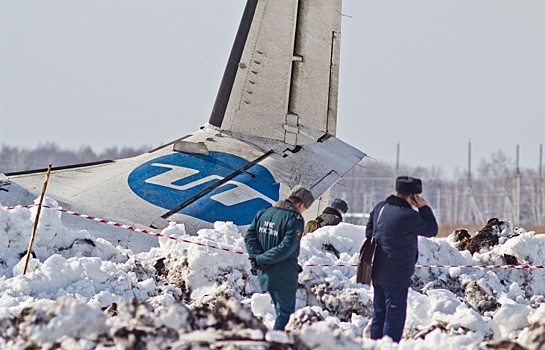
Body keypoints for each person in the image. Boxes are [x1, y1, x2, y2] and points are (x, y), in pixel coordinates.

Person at [366, 176, 438, 342]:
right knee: (394, 318)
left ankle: (373, 346)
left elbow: (369, 232)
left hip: (376, 270)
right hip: (396, 275)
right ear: (412, 196)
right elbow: (431, 229)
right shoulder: (408, 215)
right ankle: (389, 346)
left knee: (379, 314)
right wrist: (424, 208)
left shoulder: (380, 208)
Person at [244, 185, 315, 331]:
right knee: (286, 317)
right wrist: (261, 259)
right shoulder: (295, 219)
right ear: (301, 204)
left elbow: (250, 237)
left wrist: (257, 258)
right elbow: (286, 248)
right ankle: (276, 344)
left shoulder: (264, 212)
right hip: (283, 275)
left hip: (265, 273)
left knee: (280, 312)